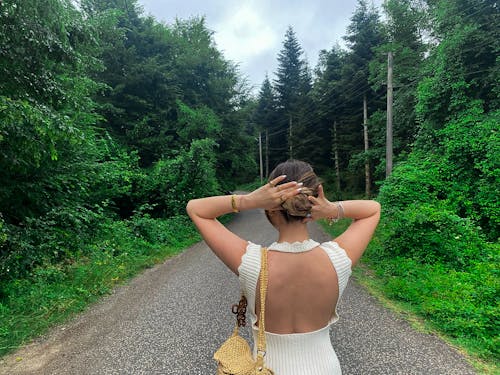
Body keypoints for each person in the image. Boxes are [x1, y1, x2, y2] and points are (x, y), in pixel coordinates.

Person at [186, 159, 381, 374]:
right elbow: (372, 209)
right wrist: (332, 209)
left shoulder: (252, 262)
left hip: (267, 369)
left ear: (269, 209)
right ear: (311, 205)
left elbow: (196, 208)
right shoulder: (338, 258)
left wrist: (248, 201)